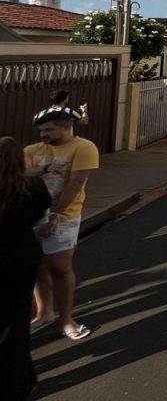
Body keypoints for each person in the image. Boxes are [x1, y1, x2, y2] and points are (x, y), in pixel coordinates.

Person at [23, 107, 97, 340]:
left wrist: (55, 214)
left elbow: (75, 183)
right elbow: (19, 175)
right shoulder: (32, 150)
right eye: (41, 130)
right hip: (31, 214)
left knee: (59, 267)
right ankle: (44, 313)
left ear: (66, 127)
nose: (43, 135)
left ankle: (66, 319)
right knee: (37, 266)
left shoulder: (83, 148)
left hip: (66, 215)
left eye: (49, 130)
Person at [0, 136, 52, 401]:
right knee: (17, 318)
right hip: (21, 256)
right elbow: (40, 218)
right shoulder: (32, 186)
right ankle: (19, 381)